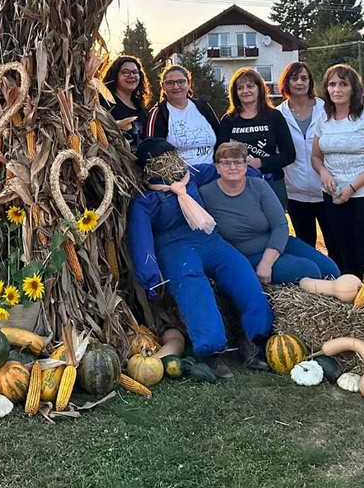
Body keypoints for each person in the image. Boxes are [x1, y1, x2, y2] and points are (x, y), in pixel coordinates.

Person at [127, 138, 272, 378]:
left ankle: (254, 338)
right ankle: (211, 350)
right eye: (160, 161)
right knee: (194, 288)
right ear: (149, 168)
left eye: (171, 158)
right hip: (175, 249)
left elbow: (222, 169)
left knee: (241, 272)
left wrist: (253, 172)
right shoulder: (145, 200)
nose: (168, 164)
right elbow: (141, 239)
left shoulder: (191, 175)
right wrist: (149, 276)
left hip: (209, 239)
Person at [197, 142, 340, 284]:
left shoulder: (258, 186)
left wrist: (267, 262)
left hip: (279, 244)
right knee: (310, 270)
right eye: (226, 163)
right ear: (217, 167)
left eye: (238, 162)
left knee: (330, 270)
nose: (233, 167)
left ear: (246, 166)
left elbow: (280, 224)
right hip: (249, 254)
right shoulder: (206, 194)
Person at [311, 64, 364, 283]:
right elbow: (315, 156)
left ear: (353, 88)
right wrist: (323, 172)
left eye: (343, 84)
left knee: (363, 255)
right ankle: (344, 298)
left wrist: (352, 187)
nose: (336, 89)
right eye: (332, 84)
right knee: (338, 252)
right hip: (333, 197)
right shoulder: (323, 120)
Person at [216, 67, 295, 209]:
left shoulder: (274, 116)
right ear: (235, 92)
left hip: (271, 183)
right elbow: (218, 154)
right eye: (240, 88)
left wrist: (261, 162)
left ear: (260, 89)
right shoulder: (228, 120)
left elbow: (289, 155)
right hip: (238, 185)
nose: (245, 91)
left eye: (250, 86)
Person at [277, 62, 332, 256]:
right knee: (306, 249)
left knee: (336, 245)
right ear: (286, 82)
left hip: (327, 192)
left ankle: (341, 276)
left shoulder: (326, 109)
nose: (299, 82)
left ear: (310, 82)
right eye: (294, 78)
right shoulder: (278, 115)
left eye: (304, 78)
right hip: (295, 194)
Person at [144, 65, 220, 166]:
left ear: (189, 84)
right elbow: (151, 149)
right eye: (170, 83)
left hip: (211, 170)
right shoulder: (158, 113)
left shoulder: (203, 107)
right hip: (180, 173)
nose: (176, 87)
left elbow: (221, 138)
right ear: (163, 86)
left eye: (181, 82)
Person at [100, 55, 150, 148]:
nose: (132, 76)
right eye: (126, 72)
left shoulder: (139, 105)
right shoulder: (104, 102)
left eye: (135, 72)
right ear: (115, 75)